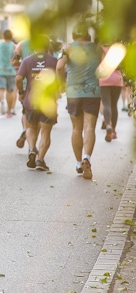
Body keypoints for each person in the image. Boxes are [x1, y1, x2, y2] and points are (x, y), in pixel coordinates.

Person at [57, 25, 103, 181]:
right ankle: (87, 158)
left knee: (77, 128)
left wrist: (61, 84)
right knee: (89, 127)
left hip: (73, 92)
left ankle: (78, 163)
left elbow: (59, 67)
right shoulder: (97, 49)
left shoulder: (68, 48)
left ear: (74, 35)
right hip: (92, 92)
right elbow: (104, 69)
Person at [16, 39, 59, 171]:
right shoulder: (54, 61)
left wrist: (21, 92)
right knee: (45, 132)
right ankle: (40, 160)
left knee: (31, 127)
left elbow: (18, 78)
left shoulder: (27, 60)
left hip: (31, 100)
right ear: (48, 47)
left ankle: (31, 148)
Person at [99, 44, 124, 142]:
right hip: (117, 78)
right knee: (114, 105)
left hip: (104, 78)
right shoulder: (119, 48)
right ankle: (113, 131)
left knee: (106, 104)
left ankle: (108, 124)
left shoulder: (100, 49)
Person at [0, 29, 16, 116]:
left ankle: (2, 101)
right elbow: (17, 58)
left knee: (1, 89)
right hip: (11, 71)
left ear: (3, 36)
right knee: (10, 91)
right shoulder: (14, 46)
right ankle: (9, 111)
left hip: (1, 70)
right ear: (11, 37)